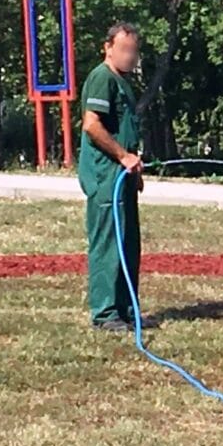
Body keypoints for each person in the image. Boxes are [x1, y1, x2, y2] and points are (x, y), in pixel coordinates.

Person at [78, 23, 147, 332]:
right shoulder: (101, 78)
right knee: (108, 244)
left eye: (134, 51)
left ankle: (127, 309)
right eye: (124, 49)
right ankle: (105, 313)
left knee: (128, 243)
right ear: (107, 47)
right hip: (106, 177)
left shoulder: (123, 82)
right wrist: (122, 157)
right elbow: (91, 125)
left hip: (123, 177)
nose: (130, 56)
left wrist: (133, 167)